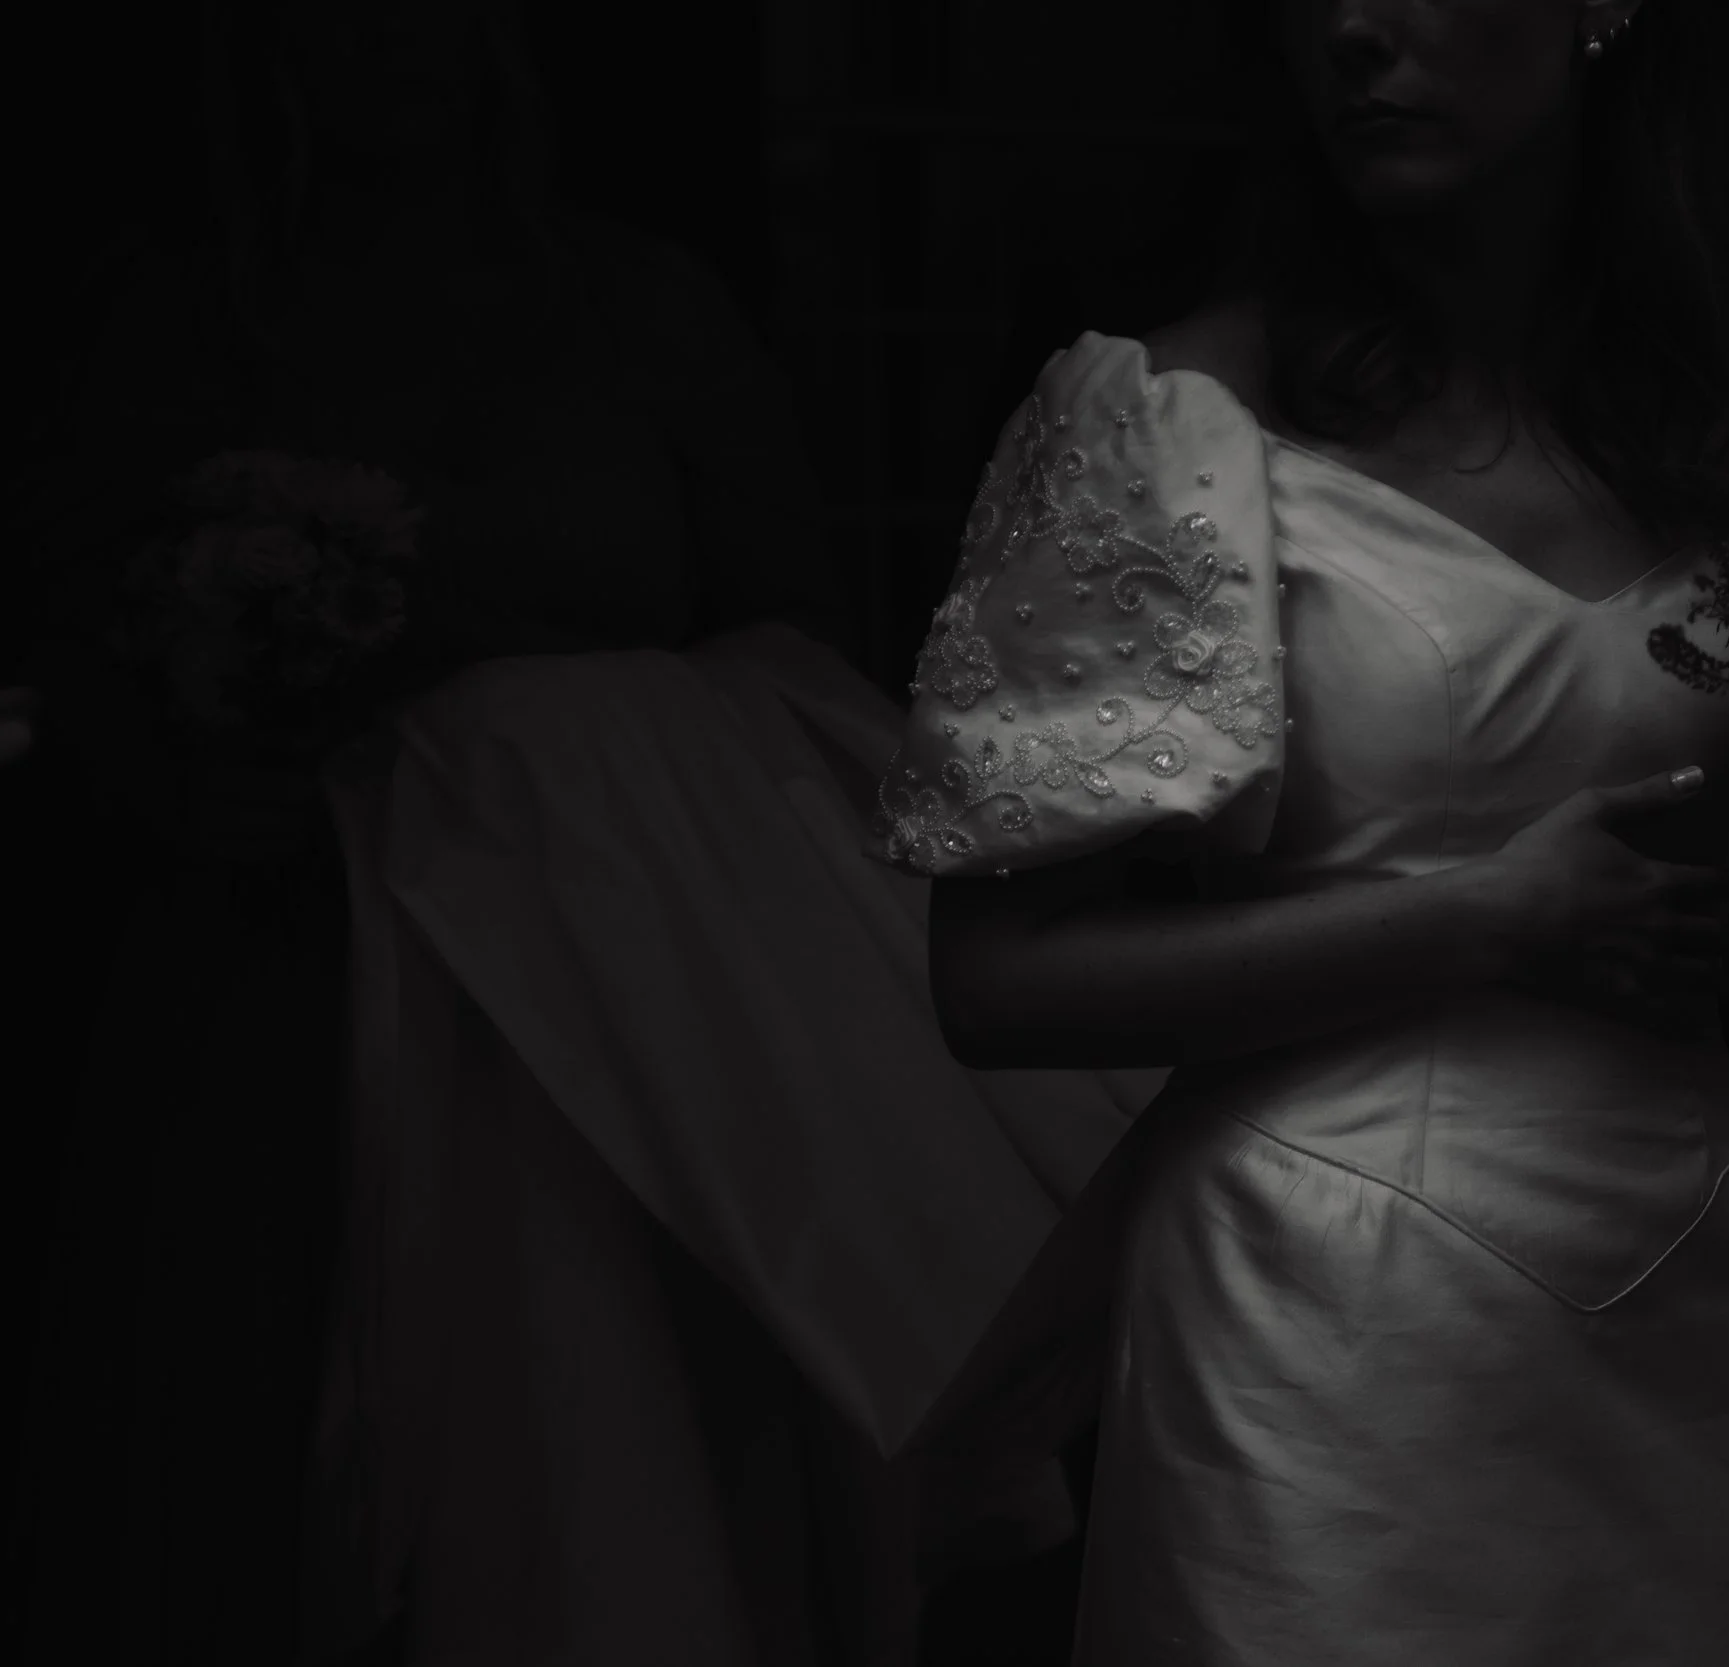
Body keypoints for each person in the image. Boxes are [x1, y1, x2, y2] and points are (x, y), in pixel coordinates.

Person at [871, 3, 1729, 1659]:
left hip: (1677, 1281)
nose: (1353, 32)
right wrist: (1478, 922)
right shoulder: (1171, 417)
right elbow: (995, 982)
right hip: (1316, 1309)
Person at [4, 4, 1158, 1664]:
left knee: (619, 1407)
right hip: (294, 968)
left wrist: (606, 762)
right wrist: (183, 745)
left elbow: (794, 632)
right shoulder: (186, 317)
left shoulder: (637, 312)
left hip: (617, 978)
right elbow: (63, 624)